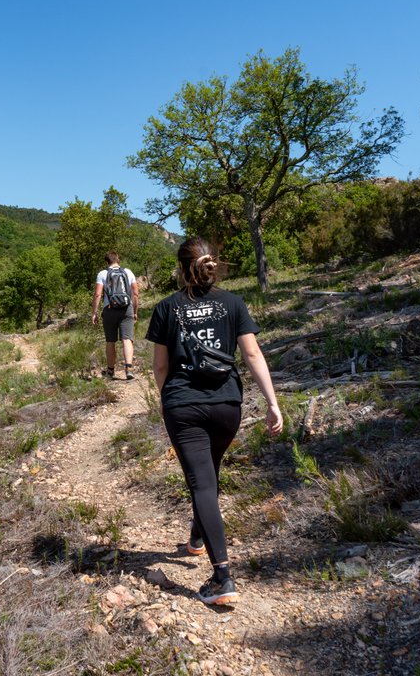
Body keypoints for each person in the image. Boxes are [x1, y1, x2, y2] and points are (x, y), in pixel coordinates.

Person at [145, 237, 284, 605]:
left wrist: (167, 401)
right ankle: (196, 535)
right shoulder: (233, 303)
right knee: (209, 473)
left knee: (202, 484)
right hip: (227, 404)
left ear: (180, 267)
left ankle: (222, 577)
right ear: (211, 264)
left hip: (184, 406)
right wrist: (272, 402)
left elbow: (160, 366)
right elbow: (252, 353)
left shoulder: (165, 308)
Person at [91, 251, 140, 380]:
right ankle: (128, 368)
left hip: (109, 309)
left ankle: (110, 371)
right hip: (126, 308)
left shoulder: (102, 274)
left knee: (110, 341)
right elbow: (135, 294)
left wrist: (94, 313)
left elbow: (97, 295)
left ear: (106, 261)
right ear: (118, 259)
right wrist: (135, 311)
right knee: (127, 339)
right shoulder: (128, 272)